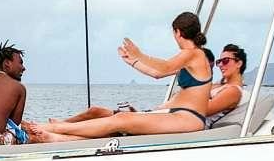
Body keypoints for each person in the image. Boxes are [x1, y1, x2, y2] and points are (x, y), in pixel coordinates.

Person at [28, 35, 247, 142]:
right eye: (219, 61)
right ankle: (52, 133)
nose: (220, 65)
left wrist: (154, 114)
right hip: (169, 115)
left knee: (117, 123)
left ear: (239, 63)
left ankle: (54, 131)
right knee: (102, 115)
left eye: (225, 61)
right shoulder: (214, 85)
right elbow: (159, 74)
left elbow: (201, 109)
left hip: (183, 122)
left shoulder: (233, 92)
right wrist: (132, 61)